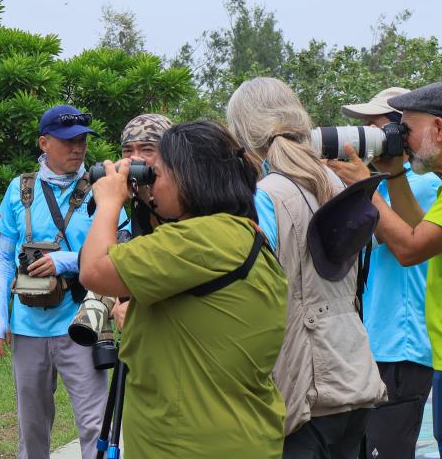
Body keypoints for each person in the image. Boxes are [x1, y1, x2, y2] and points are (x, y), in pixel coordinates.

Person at [79, 120, 287, 458]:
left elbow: (94, 270)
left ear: (189, 177)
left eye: (158, 174)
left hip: (190, 444)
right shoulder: (239, 232)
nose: (152, 183)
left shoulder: (201, 240)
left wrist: (108, 201)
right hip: (233, 434)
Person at [327, 82, 442, 459]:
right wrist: (394, 176)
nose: (404, 141)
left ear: (438, 128)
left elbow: (409, 249)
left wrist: (365, 187)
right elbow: (423, 232)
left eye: (408, 130)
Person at [226, 77, 386, 459]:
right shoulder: (339, 182)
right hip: (354, 372)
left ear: (242, 137)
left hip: (304, 385)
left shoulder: (267, 196)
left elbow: (254, 287)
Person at [0, 105, 114, 459]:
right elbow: (2, 259)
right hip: (27, 327)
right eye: (67, 141)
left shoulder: (101, 189)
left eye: (82, 141)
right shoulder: (19, 189)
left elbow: (118, 250)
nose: (78, 148)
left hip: (82, 323)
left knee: (95, 423)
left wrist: (66, 260)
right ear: (44, 143)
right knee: (32, 428)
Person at [339, 87, 442, 458]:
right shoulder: (382, 185)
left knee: (390, 451)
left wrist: (364, 185)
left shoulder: (426, 184)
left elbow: (400, 244)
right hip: (375, 341)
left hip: (404, 344)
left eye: (375, 127)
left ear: (403, 132)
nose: (367, 136)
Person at [111, 113, 174, 331]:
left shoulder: (183, 201)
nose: (134, 159)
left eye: (147, 149)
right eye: (128, 150)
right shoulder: (137, 198)